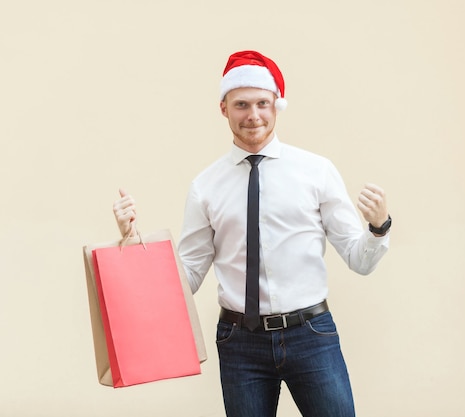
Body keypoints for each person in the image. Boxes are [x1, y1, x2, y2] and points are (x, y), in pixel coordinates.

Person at [113, 50, 391, 417]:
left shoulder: (316, 172)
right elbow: (188, 277)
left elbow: (360, 261)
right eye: (241, 104)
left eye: (263, 103)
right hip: (240, 341)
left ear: (277, 106)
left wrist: (378, 227)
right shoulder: (205, 187)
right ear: (224, 108)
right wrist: (134, 246)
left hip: (311, 334)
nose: (253, 115)